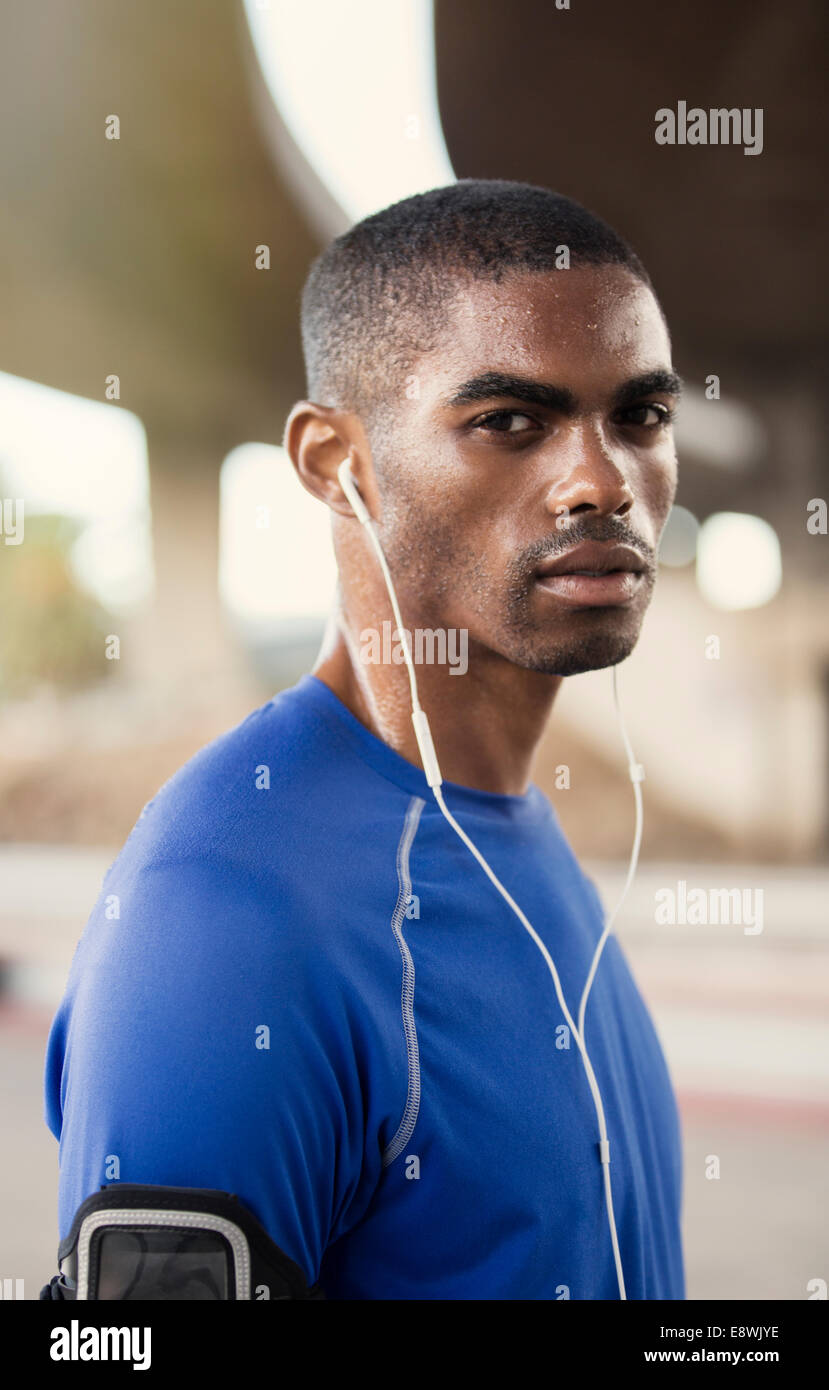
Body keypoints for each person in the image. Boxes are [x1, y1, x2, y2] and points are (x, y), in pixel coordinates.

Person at [44, 179, 685, 1300]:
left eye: (637, 416)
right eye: (510, 422)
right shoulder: (226, 913)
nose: (601, 480)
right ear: (335, 464)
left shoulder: (519, 840)